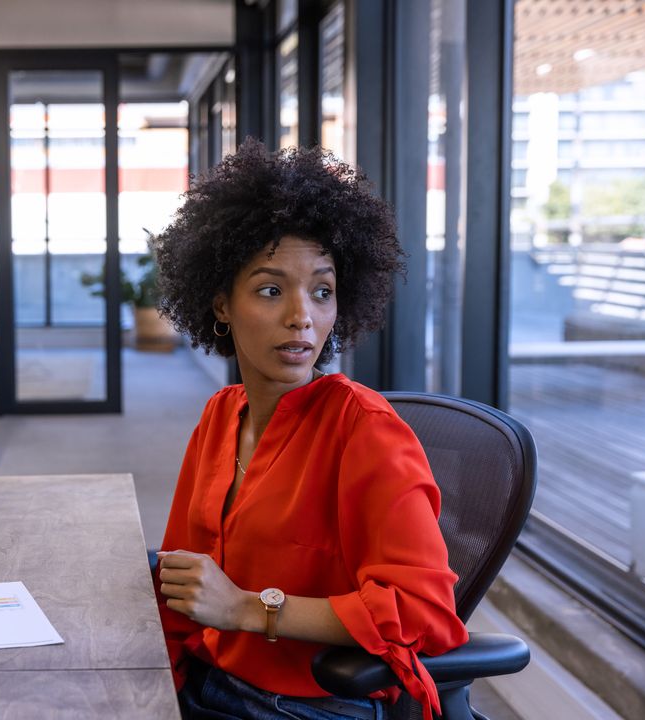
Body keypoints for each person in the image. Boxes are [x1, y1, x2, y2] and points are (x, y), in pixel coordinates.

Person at [151, 139, 467, 720]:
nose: (303, 315)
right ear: (221, 304)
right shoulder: (220, 416)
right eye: (271, 290)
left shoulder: (365, 431)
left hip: (308, 706)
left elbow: (424, 611)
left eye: (322, 291)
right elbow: (181, 581)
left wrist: (249, 610)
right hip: (207, 684)